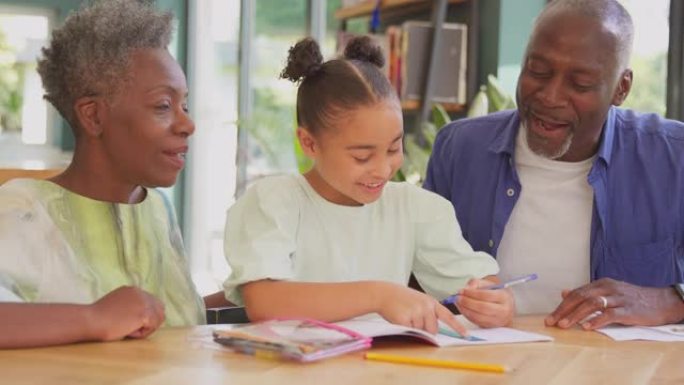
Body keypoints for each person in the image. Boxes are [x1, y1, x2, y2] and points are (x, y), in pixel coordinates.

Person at [223, 36, 515, 335]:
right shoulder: (275, 201)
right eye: (362, 156)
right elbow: (264, 301)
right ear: (309, 143)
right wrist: (379, 295)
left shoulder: (416, 208)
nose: (383, 169)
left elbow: (480, 284)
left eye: (393, 148)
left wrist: (493, 302)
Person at [424, 0, 684, 330]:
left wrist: (670, 299)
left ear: (622, 88)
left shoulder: (674, 158)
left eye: (580, 84)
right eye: (538, 71)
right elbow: (413, 275)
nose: (550, 96)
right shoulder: (459, 149)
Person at [0, 0, 207, 349]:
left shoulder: (157, 208)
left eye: (184, 105)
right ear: (93, 116)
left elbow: (172, 319)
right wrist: (93, 318)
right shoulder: (21, 208)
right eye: (163, 106)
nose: (188, 124)